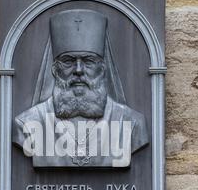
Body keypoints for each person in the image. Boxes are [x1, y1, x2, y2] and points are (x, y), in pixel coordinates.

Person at [13, 9, 148, 167]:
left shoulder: (132, 124)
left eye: (89, 61)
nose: (78, 70)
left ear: (102, 69)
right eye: (68, 61)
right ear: (55, 70)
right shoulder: (26, 124)